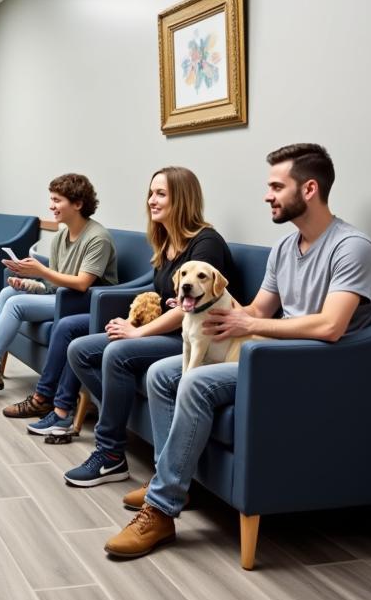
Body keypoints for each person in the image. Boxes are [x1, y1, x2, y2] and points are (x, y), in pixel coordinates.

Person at [105, 144, 371, 559]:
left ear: (309, 189)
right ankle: (172, 478)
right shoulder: (287, 248)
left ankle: (161, 510)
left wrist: (250, 324)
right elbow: (256, 310)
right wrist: (203, 305)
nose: (267, 195)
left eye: (276, 186)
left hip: (318, 368)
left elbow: (330, 326)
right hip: (272, 356)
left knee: (196, 382)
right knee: (162, 373)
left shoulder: (351, 248)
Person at [53, 168, 236, 490]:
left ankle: (110, 454)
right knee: (80, 349)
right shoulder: (166, 243)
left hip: (201, 338)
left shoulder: (206, 242)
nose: (152, 200)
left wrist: (139, 332)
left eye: (161, 194)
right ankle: (120, 417)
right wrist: (137, 319)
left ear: (183, 198)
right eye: (151, 193)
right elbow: (170, 298)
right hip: (171, 331)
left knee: (119, 352)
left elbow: (189, 310)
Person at [0, 173, 117, 395]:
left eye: (57, 200)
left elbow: (81, 284)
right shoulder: (61, 237)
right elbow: (53, 284)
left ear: (78, 204)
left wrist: (40, 270)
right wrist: (28, 283)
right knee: (7, 293)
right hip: (61, 296)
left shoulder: (98, 238)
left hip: (84, 302)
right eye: (51, 200)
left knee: (16, 304)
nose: (51, 206)